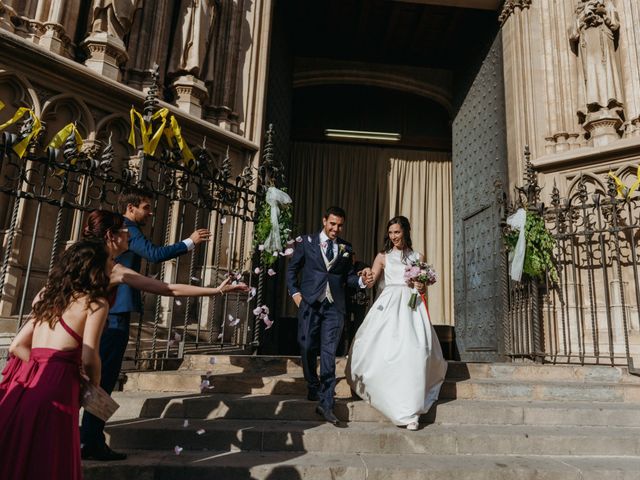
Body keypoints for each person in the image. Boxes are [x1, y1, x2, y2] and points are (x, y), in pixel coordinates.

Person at [78, 204, 219, 461]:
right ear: (112, 234)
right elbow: (157, 263)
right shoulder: (117, 263)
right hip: (111, 319)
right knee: (103, 381)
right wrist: (191, 241)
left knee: (89, 385)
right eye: (145, 206)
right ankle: (89, 438)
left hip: (76, 330)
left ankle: (84, 437)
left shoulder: (80, 262)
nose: (128, 235)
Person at [0, 240, 112, 479]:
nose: (113, 264)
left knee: (29, 452)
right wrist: (93, 385)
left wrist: (42, 364)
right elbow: (89, 354)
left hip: (32, 381)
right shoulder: (95, 303)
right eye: (109, 261)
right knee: (53, 452)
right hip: (60, 383)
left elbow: (17, 345)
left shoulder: (51, 299)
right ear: (95, 268)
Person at [346, 216, 447, 431]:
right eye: (391, 233)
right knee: (383, 349)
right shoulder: (383, 256)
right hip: (388, 304)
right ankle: (384, 394)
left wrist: (420, 284)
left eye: (397, 233)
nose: (394, 237)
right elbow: (372, 279)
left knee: (414, 351)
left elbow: (423, 287)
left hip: (412, 306)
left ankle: (410, 410)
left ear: (406, 232)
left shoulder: (417, 256)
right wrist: (365, 275)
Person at [286, 206, 368, 426]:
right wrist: (295, 293)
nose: (336, 229)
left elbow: (348, 278)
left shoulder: (346, 248)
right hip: (310, 304)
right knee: (306, 346)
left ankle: (326, 401)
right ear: (324, 221)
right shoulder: (306, 242)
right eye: (332, 224)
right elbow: (292, 270)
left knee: (329, 353)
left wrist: (361, 282)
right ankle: (312, 385)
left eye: (340, 225)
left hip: (334, 308)